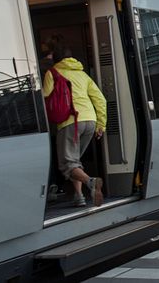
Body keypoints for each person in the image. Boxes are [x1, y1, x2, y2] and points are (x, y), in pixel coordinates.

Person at [43, 47, 107, 207]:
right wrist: (101, 123)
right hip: (90, 121)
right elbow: (100, 99)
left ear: (55, 59)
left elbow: (44, 98)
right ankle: (79, 197)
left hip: (70, 122)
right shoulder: (82, 74)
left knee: (68, 164)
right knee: (74, 161)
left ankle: (90, 182)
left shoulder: (52, 73)